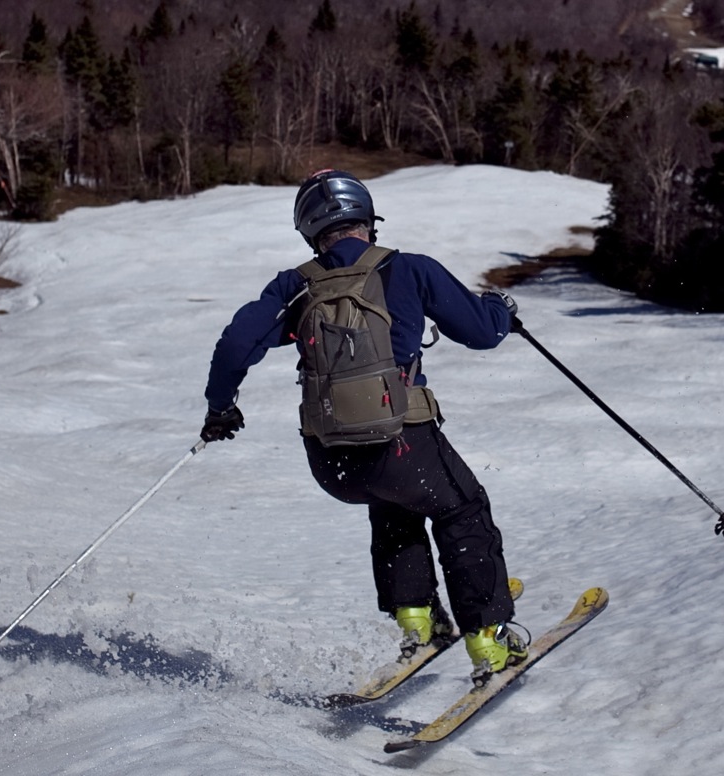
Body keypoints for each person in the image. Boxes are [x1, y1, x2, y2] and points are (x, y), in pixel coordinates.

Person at [200, 169, 527, 683]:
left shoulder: (295, 285)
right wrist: (499, 310)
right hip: (403, 446)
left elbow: (236, 344)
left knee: (395, 503)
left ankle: (415, 620)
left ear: (310, 231)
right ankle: (488, 640)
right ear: (367, 221)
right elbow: (484, 333)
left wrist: (221, 408)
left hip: (332, 464)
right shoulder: (410, 271)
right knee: (462, 507)